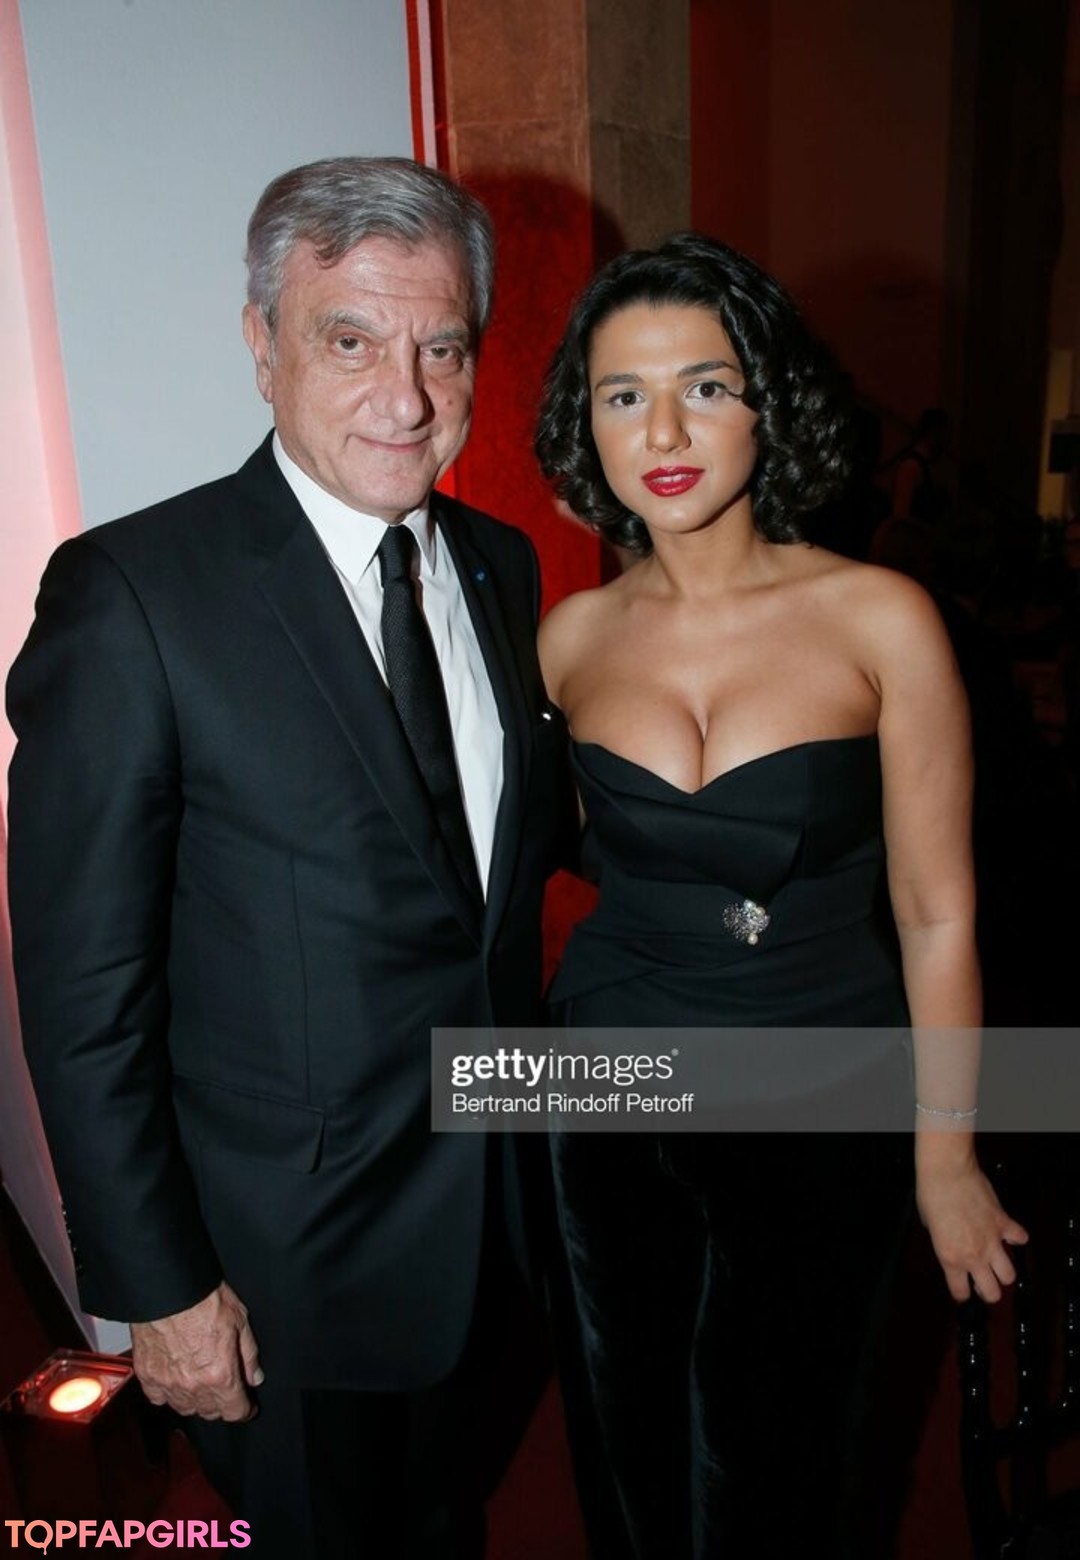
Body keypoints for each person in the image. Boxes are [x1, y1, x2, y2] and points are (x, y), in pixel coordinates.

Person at [6, 157, 570, 1559]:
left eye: (444, 347)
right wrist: (157, 1285)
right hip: (283, 1280)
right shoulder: (134, 597)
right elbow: (84, 997)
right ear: (263, 345)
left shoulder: (503, 566)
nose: (408, 397)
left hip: (499, 1233)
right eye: (351, 340)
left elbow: (486, 896)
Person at [533, 233, 1027, 1558]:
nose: (664, 432)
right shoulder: (568, 640)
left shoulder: (882, 618)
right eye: (624, 395)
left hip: (822, 1092)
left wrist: (946, 1152)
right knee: (630, 1461)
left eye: (707, 385)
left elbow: (937, 910)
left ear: (771, 402)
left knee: (782, 1477)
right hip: (603, 1095)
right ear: (588, 424)